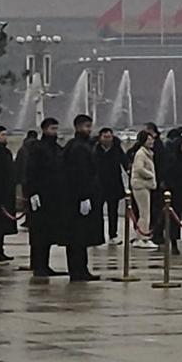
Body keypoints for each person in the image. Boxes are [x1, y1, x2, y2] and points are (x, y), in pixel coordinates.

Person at [23, 117, 70, 279]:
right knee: (39, 233)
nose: (55, 132)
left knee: (48, 232)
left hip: (53, 197)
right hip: (41, 196)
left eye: (56, 129)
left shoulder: (56, 148)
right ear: (44, 130)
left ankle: (44, 264)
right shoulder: (38, 148)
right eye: (52, 129)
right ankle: (38, 265)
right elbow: (31, 171)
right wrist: (32, 192)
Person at [62, 115, 100, 279]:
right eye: (86, 126)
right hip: (77, 198)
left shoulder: (79, 145)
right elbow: (80, 174)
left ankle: (79, 269)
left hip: (73, 197)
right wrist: (84, 196)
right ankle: (78, 270)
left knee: (78, 237)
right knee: (78, 236)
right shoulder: (78, 148)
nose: (89, 130)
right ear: (77, 127)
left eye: (90, 126)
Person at [93, 129, 128, 243]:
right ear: (100, 137)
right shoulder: (94, 149)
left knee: (113, 211)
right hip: (99, 185)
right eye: (105, 137)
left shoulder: (117, 149)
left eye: (109, 137)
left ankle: (113, 235)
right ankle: (98, 235)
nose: (107, 139)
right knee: (97, 211)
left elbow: (125, 162)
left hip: (114, 184)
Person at [0, 125, 17, 262]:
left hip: (7, 192)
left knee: (2, 225)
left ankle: (1, 248)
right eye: (2, 135)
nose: (5, 137)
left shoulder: (6, 152)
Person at [128, 130, 158, 249]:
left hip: (145, 185)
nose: (151, 141)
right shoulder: (141, 153)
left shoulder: (147, 153)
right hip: (141, 185)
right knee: (144, 213)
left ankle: (141, 235)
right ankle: (143, 237)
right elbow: (139, 168)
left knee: (144, 212)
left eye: (152, 139)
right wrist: (150, 175)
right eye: (149, 139)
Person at [13, 129, 37, 211]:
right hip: (36, 178)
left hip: (24, 179)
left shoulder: (22, 149)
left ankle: (27, 214)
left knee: (26, 198)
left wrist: (16, 179)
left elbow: (18, 164)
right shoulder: (39, 147)